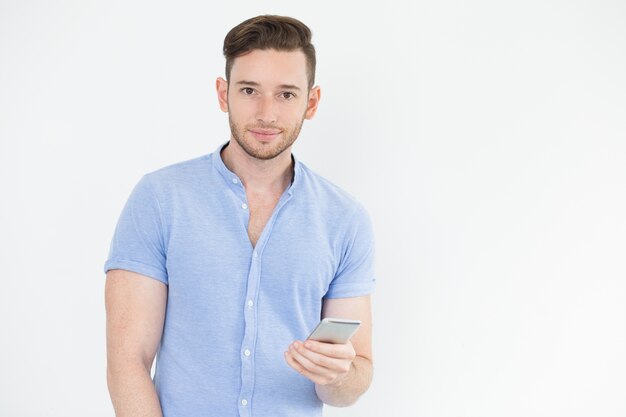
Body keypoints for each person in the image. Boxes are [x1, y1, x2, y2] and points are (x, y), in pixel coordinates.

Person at [104, 15, 376, 417]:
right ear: (223, 93)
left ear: (311, 102)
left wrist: (337, 376)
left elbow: (355, 377)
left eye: (286, 94)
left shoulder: (345, 220)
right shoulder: (161, 199)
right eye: (250, 90)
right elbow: (128, 361)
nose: (266, 113)